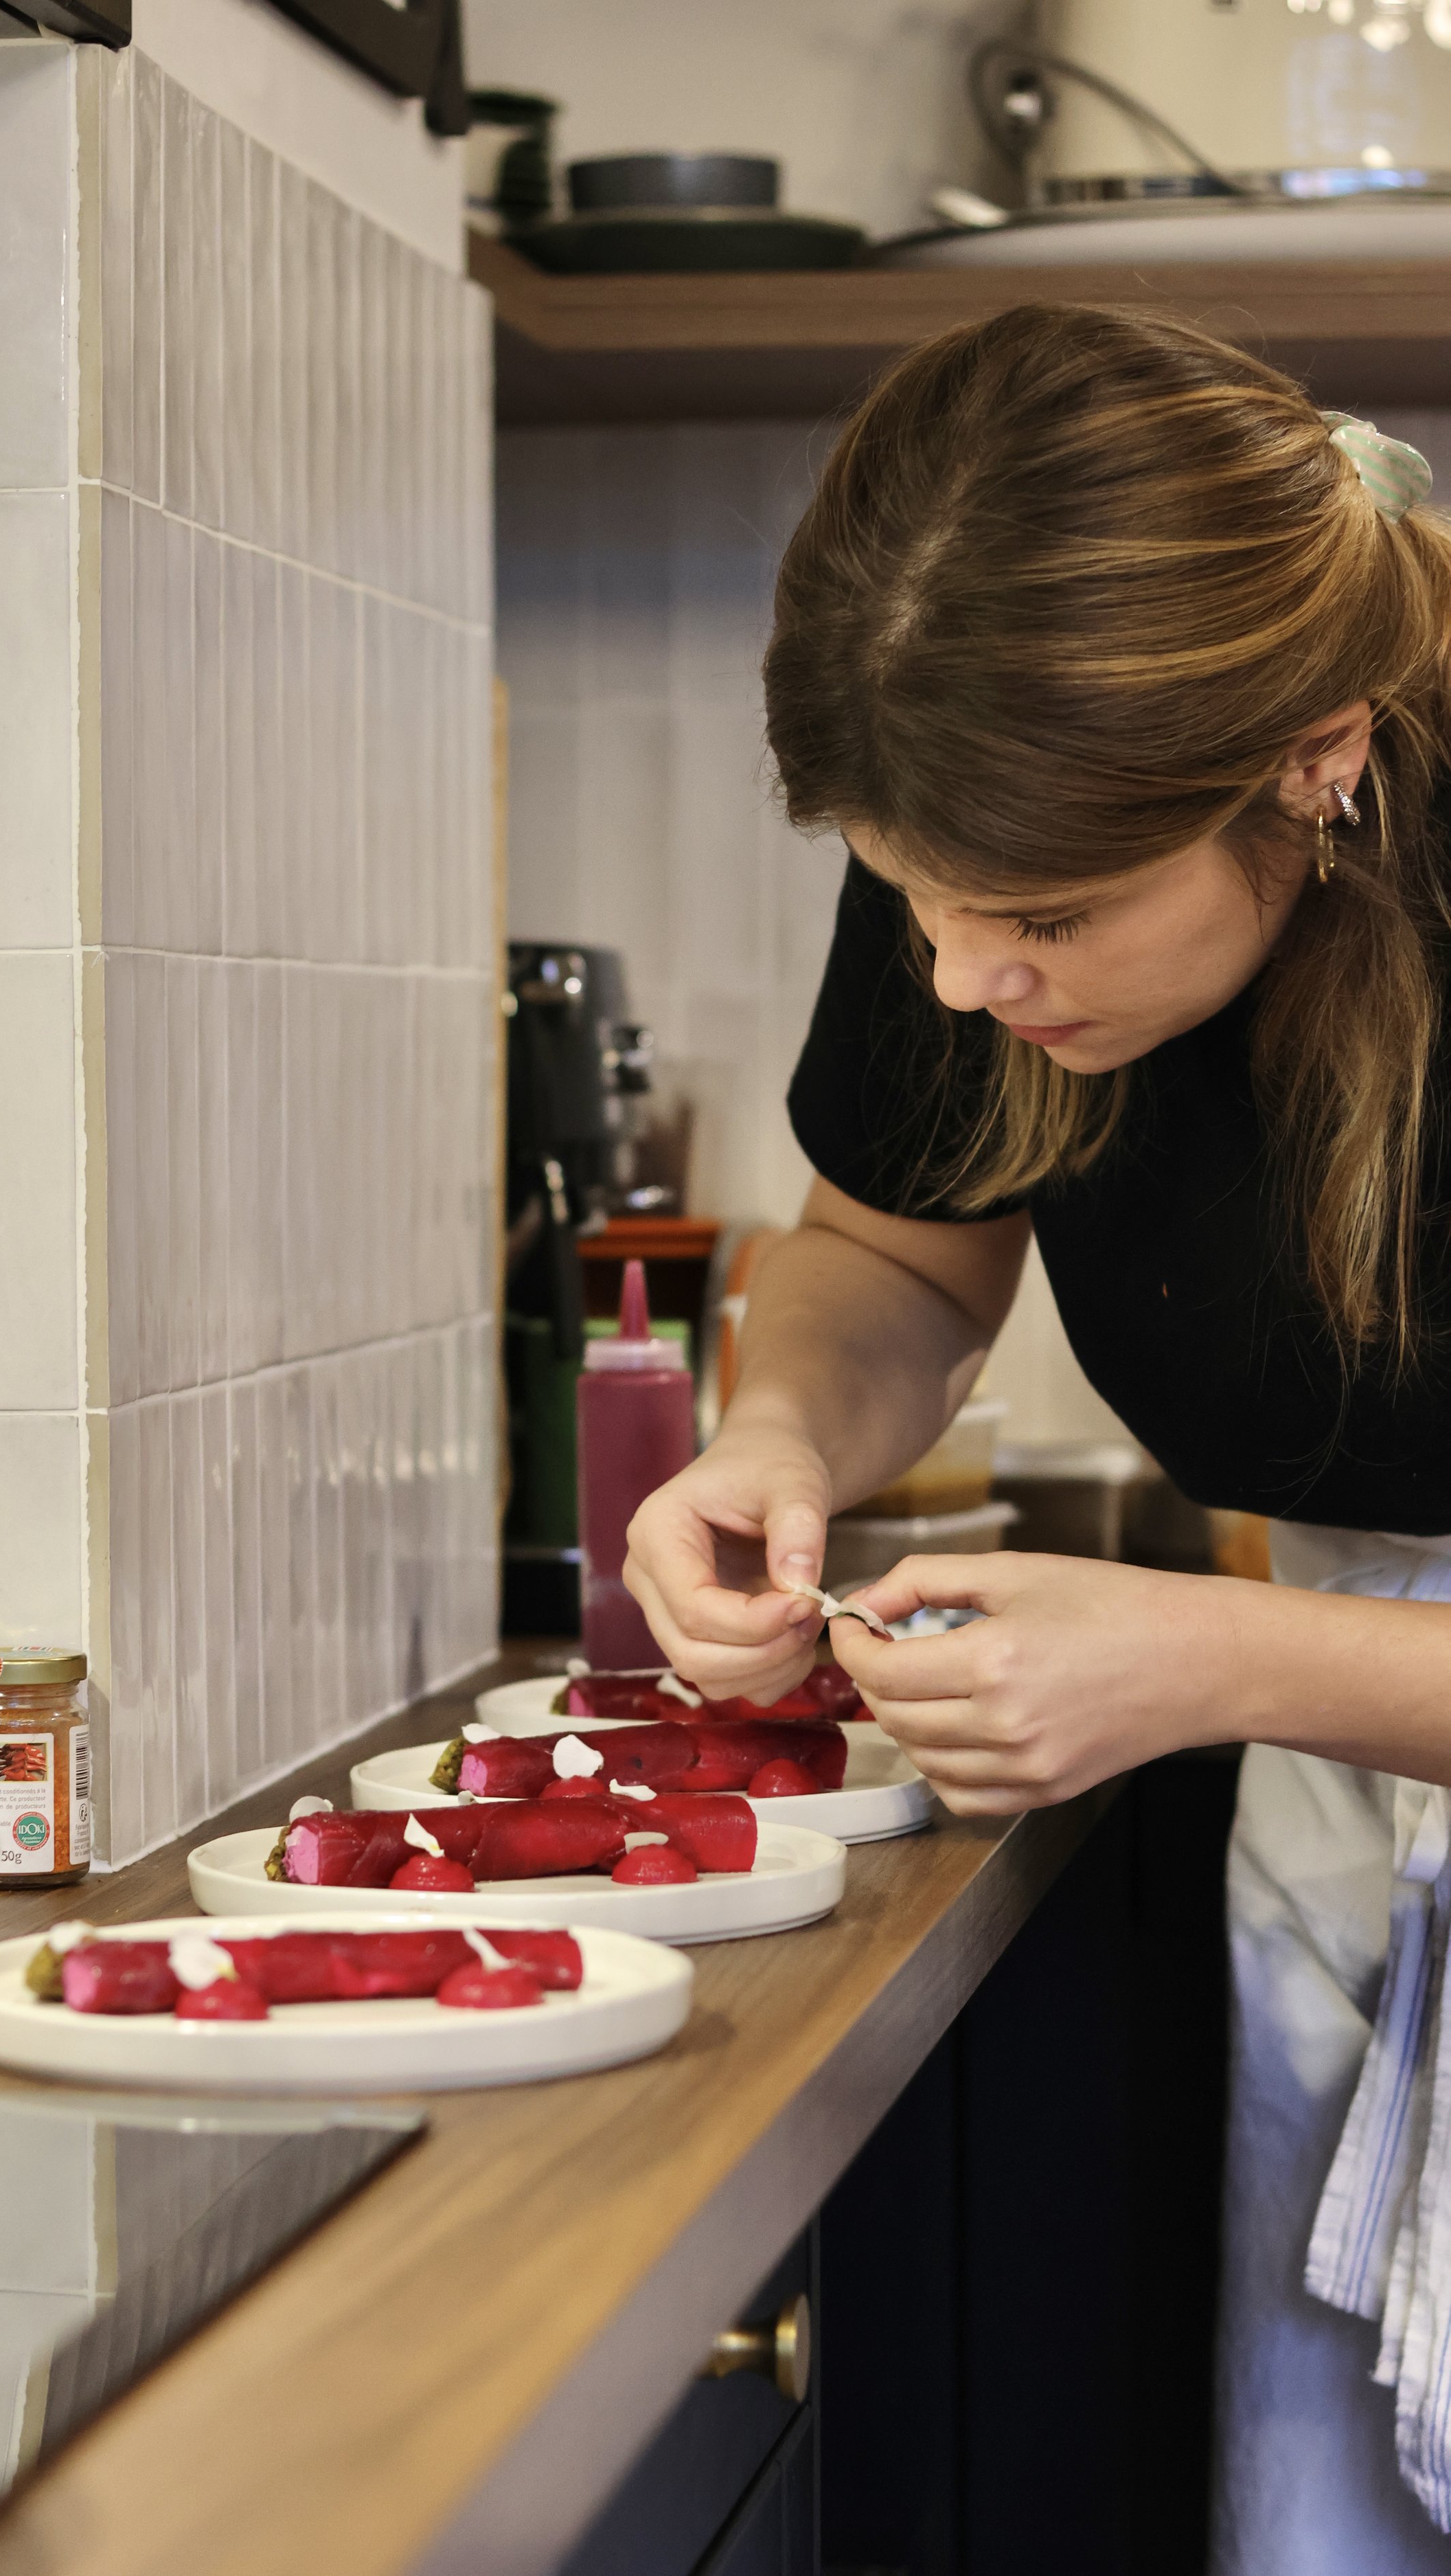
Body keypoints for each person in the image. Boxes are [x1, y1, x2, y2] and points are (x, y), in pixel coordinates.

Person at [621, 305, 1451, 2572]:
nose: (969, 978)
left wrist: (1208, 1662)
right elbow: (892, 1258)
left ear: (1315, 758)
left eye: (1040, 921)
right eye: (912, 904)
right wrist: (778, 1433)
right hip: (1351, 1768)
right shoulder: (983, 837)